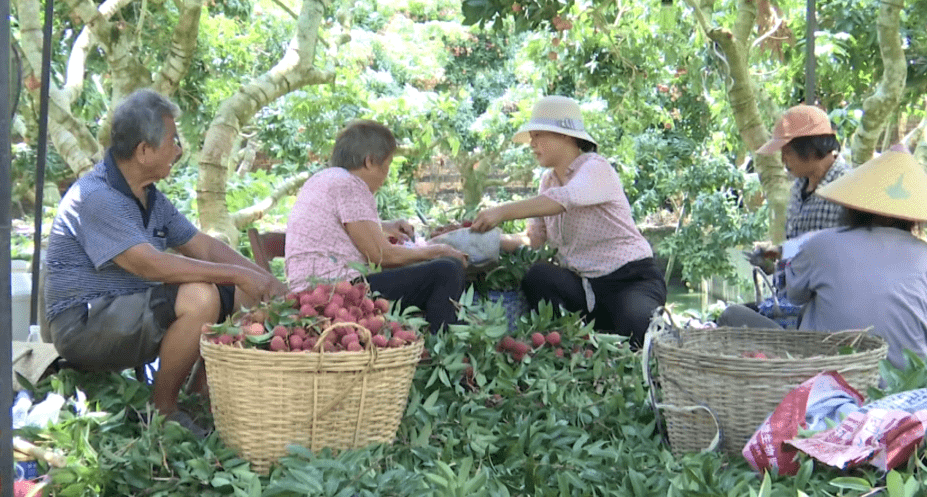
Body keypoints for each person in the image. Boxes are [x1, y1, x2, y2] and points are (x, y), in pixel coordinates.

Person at [45, 89, 289, 438]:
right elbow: (150, 266)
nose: (179, 150)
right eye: (173, 141)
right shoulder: (96, 196)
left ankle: (200, 396)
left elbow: (202, 246)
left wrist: (261, 279)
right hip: (82, 325)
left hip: (127, 314)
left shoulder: (150, 197)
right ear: (144, 150)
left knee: (243, 296)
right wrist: (237, 274)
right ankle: (163, 411)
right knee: (201, 297)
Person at [719, 148, 927, 369]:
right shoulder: (925, 254)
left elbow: (793, 296)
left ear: (852, 207)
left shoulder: (822, 243)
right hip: (906, 381)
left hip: (827, 375)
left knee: (732, 315)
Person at [469, 96, 666, 348]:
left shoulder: (596, 168)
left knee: (638, 327)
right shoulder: (548, 182)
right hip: (585, 288)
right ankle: (570, 347)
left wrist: (502, 211)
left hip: (629, 280)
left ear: (565, 136)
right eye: (532, 136)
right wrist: (486, 238)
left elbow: (566, 198)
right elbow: (535, 239)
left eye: (539, 135)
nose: (532, 144)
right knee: (539, 275)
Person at [284, 119, 467, 330]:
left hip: (311, 292)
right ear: (370, 161)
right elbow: (382, 256)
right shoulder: (350, 185)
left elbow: (342, 226)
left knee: (437, 271)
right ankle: (440, 350)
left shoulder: (323, 179)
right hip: (337, 294)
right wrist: (437, 251)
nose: (385, 177)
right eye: (386, 166)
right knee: (447, 270)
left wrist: (386, 226)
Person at [748, 104, 850, 327]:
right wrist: (780, 252)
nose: (783, 158)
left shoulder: (848, 188)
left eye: (788, 151)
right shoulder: (797, 188)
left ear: (811, 148)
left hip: (827, 310)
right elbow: (804, 245)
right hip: (790, 301)